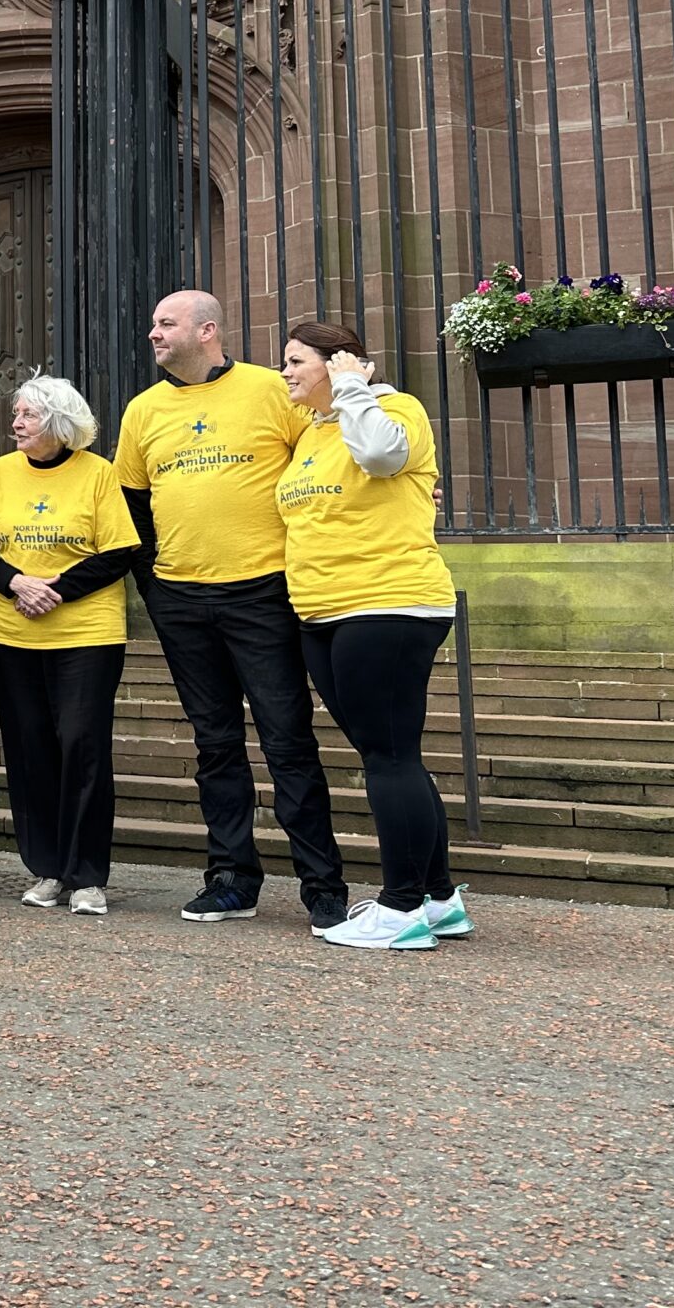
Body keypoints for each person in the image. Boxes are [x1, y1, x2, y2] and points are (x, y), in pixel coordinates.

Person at [115, 290, 349, 930]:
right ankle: (230, 878)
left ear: (207, 329)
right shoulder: (143, 410)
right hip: (182, 599)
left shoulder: (272, 391)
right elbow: (133, 509)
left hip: (263, 592)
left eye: (166, 323)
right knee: (214, 742)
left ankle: (322, 886)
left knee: (287, 737)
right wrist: (157, 590)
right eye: (154, 323)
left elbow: (330, 457)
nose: (154, 333)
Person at [277, 322, 469, 952]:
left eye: (296, 361)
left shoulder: (393, 408)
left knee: (389, 756)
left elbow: (383, 458)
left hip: (387, 604)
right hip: (324, 612)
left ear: (337, 364)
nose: (286, 373)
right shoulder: (312, 433)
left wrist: (354, 389)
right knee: (391, 754)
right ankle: (440, 900)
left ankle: (402, 906)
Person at [0, 375, 144, 914]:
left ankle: (87, 875)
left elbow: (118, 552)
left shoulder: (98, 474)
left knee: (82, 747)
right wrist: (17, 583)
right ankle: (46, 869)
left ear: (59, 422)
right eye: (16, 413)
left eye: (28, 414)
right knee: (31, 751)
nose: (16, 423)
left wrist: (56, 591)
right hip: (14, 633)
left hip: (85, 635)